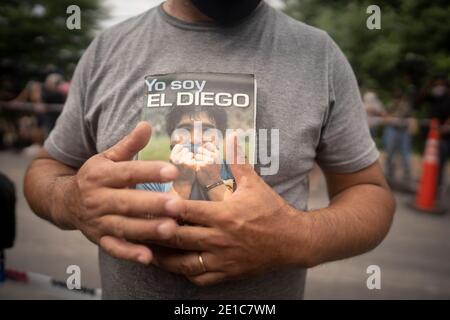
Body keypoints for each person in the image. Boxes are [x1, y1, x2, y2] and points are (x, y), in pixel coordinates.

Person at [24, 0, 395, 299]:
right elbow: (47, 168)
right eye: (185, 129)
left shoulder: (319, 55)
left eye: (208, 131)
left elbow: (370, 192)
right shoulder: (109, 49)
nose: (197, 138)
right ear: (170, 139)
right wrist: (69, 200)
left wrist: (296, 237)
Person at [139, 106, 234, 201]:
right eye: (185, 130)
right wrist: (182, 184)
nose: (194, 140)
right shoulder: (150, 178)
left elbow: (239, 215)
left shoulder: (236, 174)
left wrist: (213, 181)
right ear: (171, 139)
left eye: (206, 130)